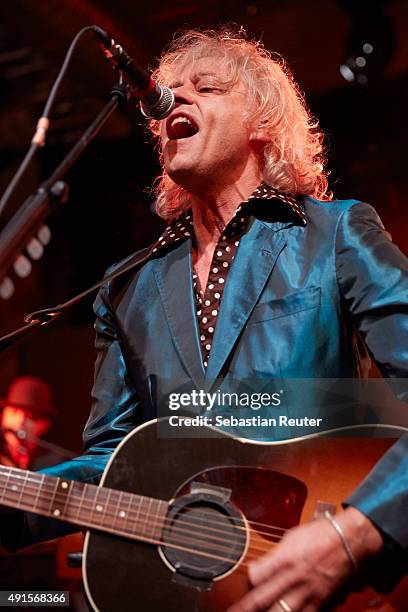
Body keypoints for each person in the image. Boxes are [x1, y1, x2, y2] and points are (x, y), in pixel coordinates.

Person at [1, 27, 408, 611]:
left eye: (206, 87)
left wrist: (354, 533)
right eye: (165, 93)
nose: (174, 101)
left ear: (262, 121)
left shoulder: (334, 235)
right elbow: (117, 464)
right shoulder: (125, 286)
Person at [0, 376, 55, 469]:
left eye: (30, 416)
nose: (20, 421)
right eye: (14, 412)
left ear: (44, 425)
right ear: (4, 416)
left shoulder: (53, 465)